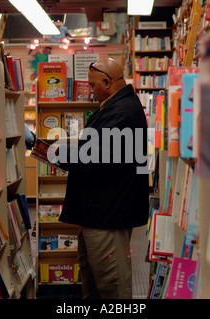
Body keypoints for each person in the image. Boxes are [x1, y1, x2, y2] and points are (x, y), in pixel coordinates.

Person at [54, 58, 149, 299]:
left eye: (93, 85)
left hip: (107, 214)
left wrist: (56, 152)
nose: (90, 90)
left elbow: (97, 158)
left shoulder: (122, 111)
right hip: (100, 211)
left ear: (107, 82)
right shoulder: (117, 105)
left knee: (112, 284)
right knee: (95, 278)